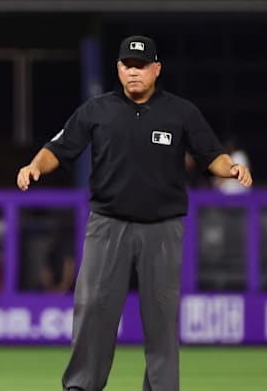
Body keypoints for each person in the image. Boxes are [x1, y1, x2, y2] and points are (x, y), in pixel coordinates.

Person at [16, 35, 252, 391]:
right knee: (93, 309)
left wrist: (230, 168)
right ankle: (81, 386)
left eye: (142, 66)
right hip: (108, 225)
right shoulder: (97, 110)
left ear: (157, 69)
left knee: (161, 317)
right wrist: (35, 166)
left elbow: (210, 154)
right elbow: (59, 147)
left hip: (162, 228)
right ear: (119, 68)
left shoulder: (180, 111)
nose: (134, 72)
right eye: (128, 65)